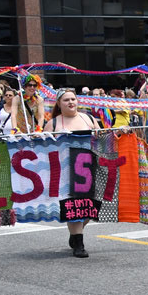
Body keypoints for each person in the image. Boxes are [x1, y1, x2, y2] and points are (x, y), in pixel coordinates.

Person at [51, 89, 100, 258]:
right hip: (66, 171)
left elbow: (102, 138)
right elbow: (44, 146)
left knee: (91, 208)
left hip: (89, 168)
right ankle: (79, 243)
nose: (71, 102)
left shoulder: (89, 118)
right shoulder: (54, 122)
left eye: (73, 99)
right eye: (66, 100)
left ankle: (75, 235)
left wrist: (121, 132)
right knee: (74, 207)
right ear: (59, 103)